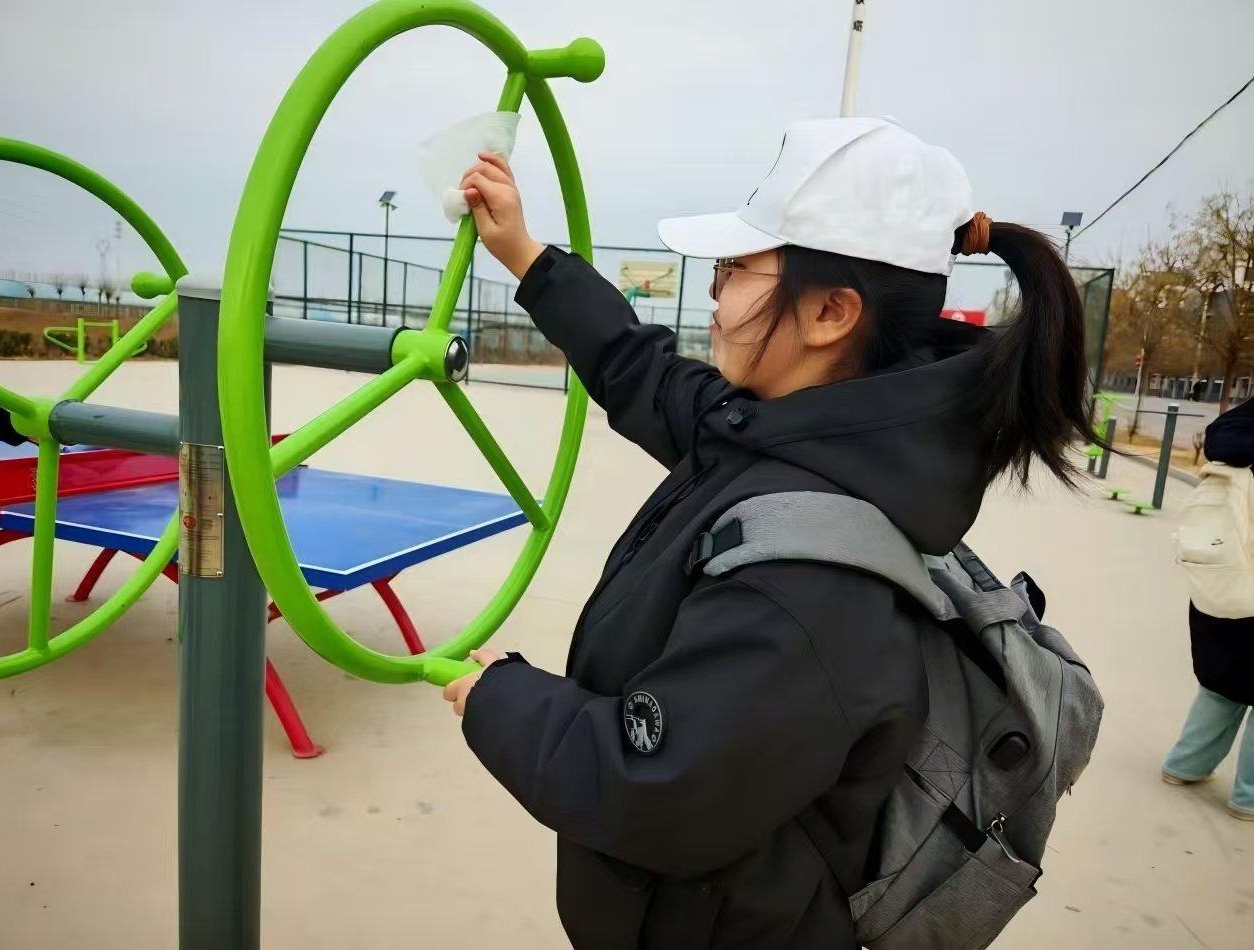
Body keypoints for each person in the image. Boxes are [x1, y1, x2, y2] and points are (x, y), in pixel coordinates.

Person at [441, 117, 1100, 948]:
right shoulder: (792, 431)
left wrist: (499, 699)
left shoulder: (808, 580)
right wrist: (525, 255)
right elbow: (640, 370)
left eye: (735, 270)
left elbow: (655, 787)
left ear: (828, 312)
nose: (713, 293)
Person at [1162, 398, 1254, 821]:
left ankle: (1185, 766)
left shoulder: (1236, 431)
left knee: (1221, 684)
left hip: (1222, 574)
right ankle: (1248, 798)